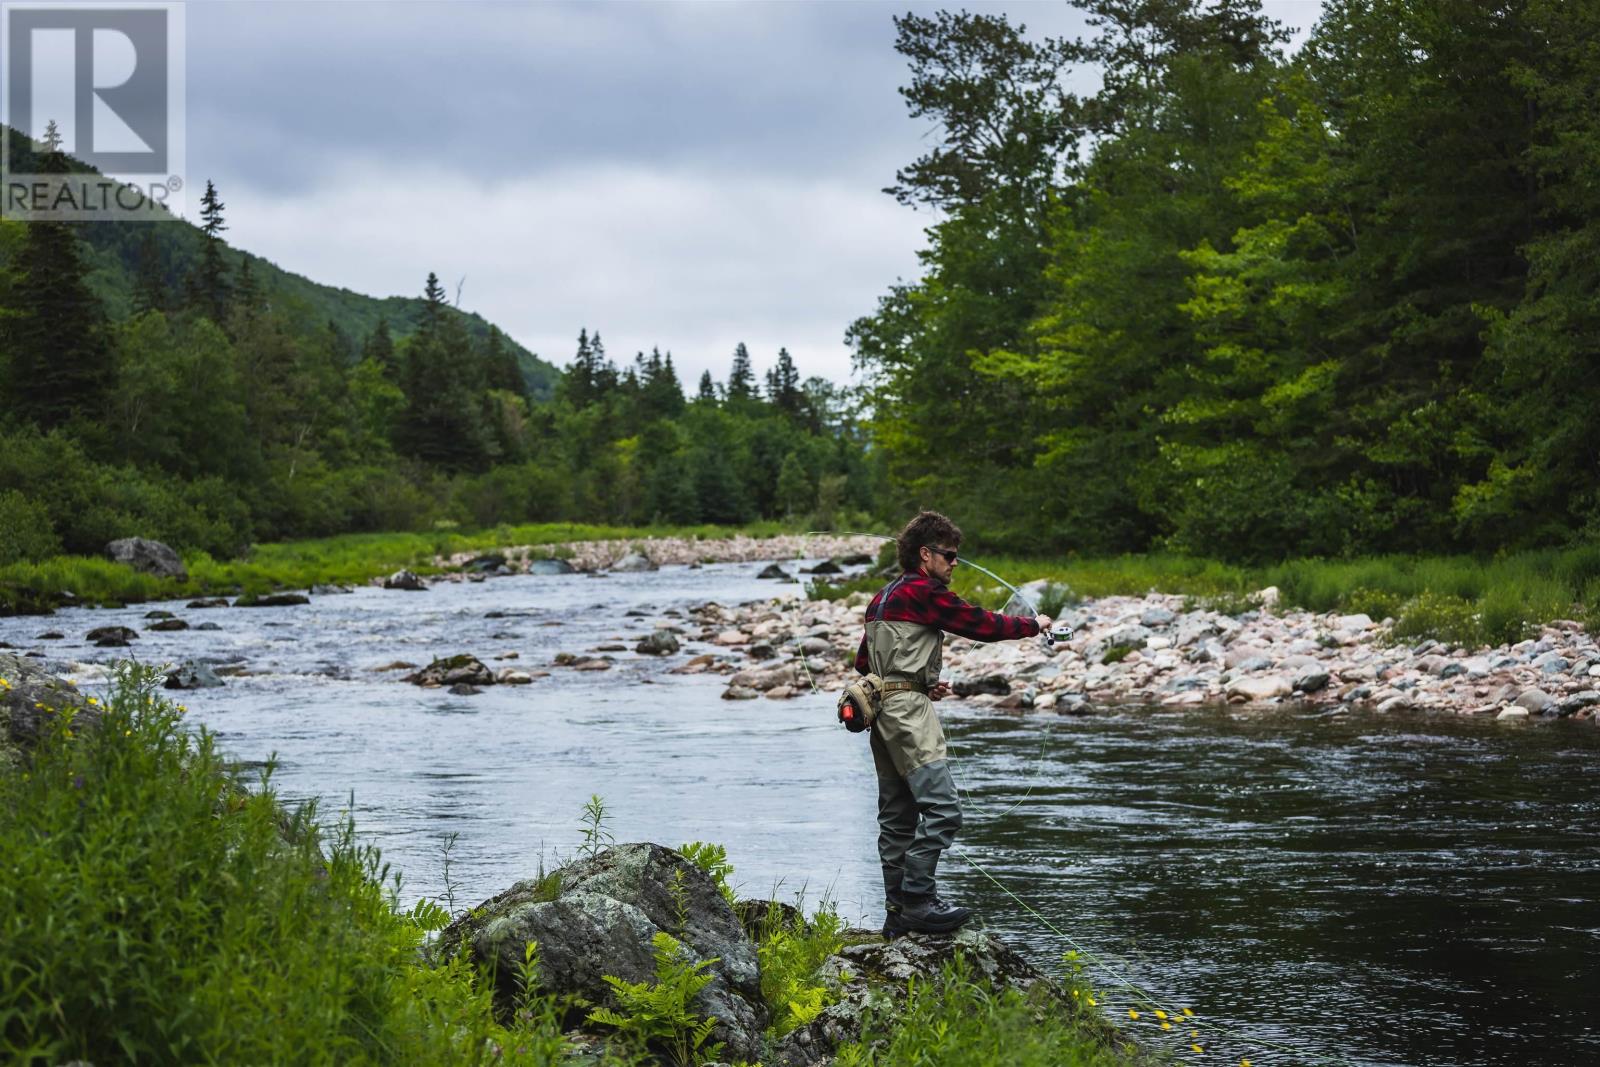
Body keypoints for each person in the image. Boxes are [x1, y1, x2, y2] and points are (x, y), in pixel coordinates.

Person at [853, 510, 1050, 936]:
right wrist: (1033, 626)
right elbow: (978, 623)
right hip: (908, 718)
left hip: (882, 714)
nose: (954, 563)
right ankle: (918, 901)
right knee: (943, 809)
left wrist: (917, 684)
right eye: (949, 555)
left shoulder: (881, 597)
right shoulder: (924, 591)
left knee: (897, 818)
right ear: (925, 554)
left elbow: (864, 662)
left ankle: (896, 914)